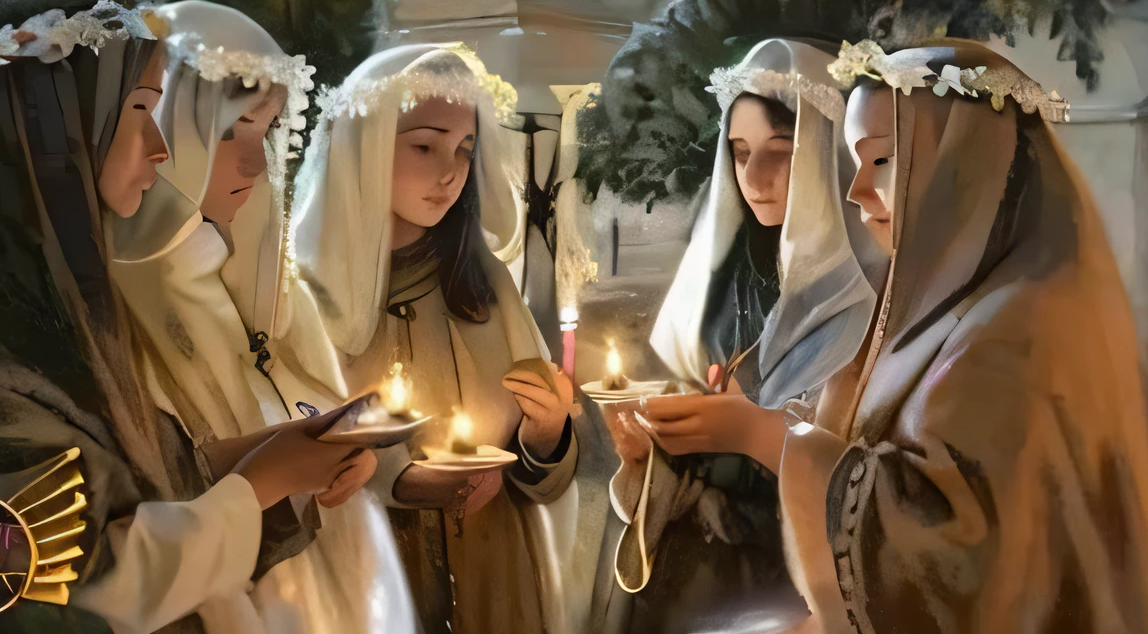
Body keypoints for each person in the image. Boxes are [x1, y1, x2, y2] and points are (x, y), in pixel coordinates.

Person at [0, 0, 396, 633]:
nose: (160, 146)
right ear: (55, 123)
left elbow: (118, 479)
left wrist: (283, 453)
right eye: (140, 109)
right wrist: (257, 487)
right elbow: (65, 588)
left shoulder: (62, 306)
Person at [660, 39, 1148, 633]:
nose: (856, 190)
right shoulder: (936, 297)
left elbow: (959, 565)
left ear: (962, 166)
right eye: (856, 162)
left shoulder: (1021, 333)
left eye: (884, 161)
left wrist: (769, 437)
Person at [291, 43, 614, 634]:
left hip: (496, 574)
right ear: (364, 146)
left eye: (465, 151)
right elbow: (290, 452)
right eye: (424, 145)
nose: (450, 172)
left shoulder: (483, 281)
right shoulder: (306, 298)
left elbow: (546, 470)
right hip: (373, 577)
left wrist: (546, 437)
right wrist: (397, 480)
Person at [602, 38, 878, 632]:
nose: (753, 176)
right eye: (739, 150)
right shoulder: (721, 287)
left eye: (781, 151)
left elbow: (867, 494)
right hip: (693, 581)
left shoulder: (861, 303)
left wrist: (754, 434)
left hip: (797, 591)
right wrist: (650, 457)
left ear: (826, 153)